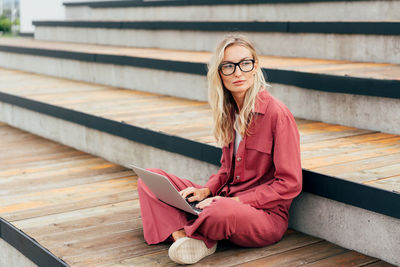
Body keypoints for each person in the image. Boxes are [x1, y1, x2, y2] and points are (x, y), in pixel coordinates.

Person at [137, 34, 302, 265]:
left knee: (218, 212)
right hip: (223, 198)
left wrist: (235, 203)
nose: (238, 72)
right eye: (228, 66)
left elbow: (289, 184)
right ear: (219, 73)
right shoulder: (230, 113)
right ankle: (183, 237)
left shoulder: (277, 114)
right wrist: (206, 190)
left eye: (245, 63)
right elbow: (226, 171)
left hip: (262, 216)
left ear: (255, 67)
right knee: (150, 179)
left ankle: (190, 230)